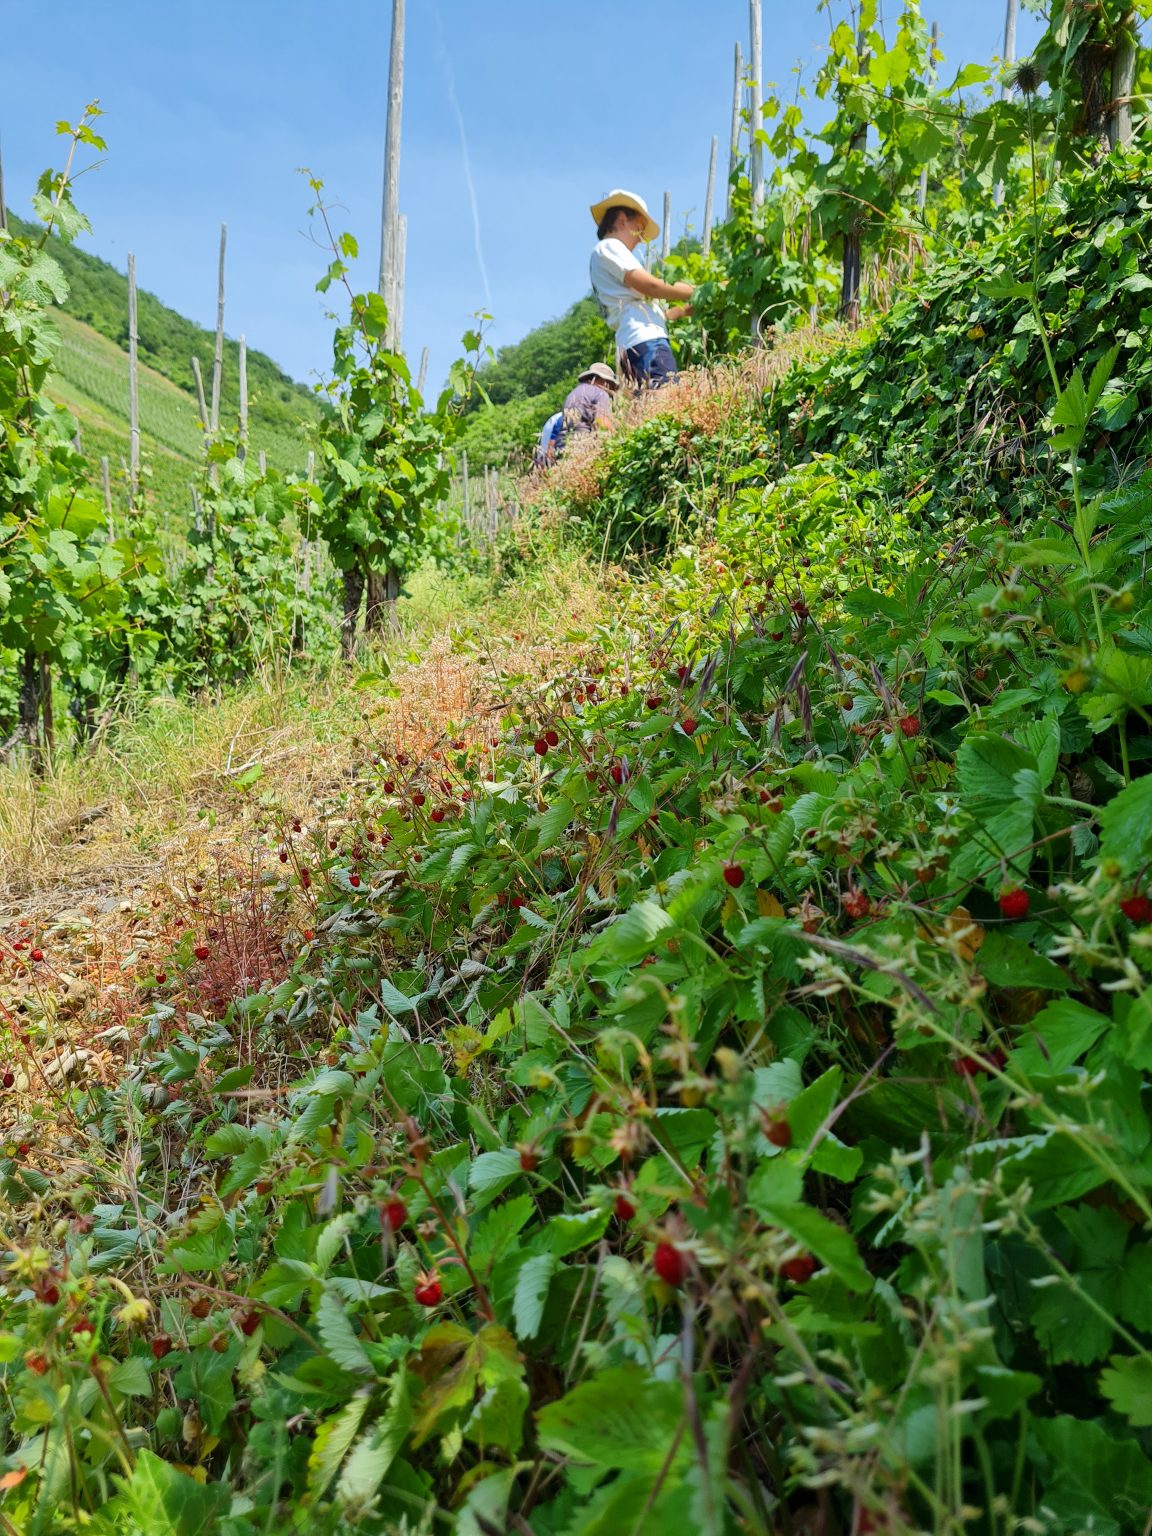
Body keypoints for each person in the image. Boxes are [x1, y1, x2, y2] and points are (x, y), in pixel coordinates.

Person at [588, 188, 694, 389]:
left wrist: (683, 310)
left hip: (633, 345)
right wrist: (701, 291)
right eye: (639, 229)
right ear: (621, 220)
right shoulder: (609, 246)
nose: (641, 239)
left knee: (650, 401)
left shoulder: (604, 259)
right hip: (646, 343)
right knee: (666, 397)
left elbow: (649, 311)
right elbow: (650, 285)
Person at [561, 362, 618, 449]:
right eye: (610, 384)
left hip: (568, 444)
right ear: (603, 381)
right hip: (586, 443)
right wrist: (617, 435)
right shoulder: (600, 393)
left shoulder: (573, 393)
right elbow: (602, 421)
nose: (610, 389)